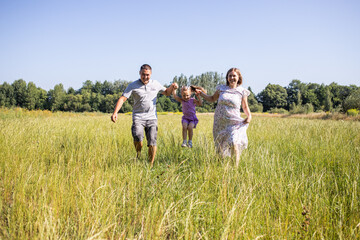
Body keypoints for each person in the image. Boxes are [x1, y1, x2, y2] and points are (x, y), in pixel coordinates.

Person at [111, 64, 178, 166]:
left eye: (147, 75)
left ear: (150, 74)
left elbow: (167, 93)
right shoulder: (132, 85)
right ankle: (138, 153)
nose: (145, 77)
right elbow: (122, 98)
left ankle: (150, 164)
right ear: (139, 73)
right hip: (138, 117)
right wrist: (115, 112)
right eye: (143, 74)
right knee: (137, 137)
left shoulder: (155, 84)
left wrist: (172, 87)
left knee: (152, 141)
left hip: (152, 118)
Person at [198, 68, 251, 166]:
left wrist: (249, 116)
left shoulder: (242, 91)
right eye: (230, 76)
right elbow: (212, 98)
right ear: (227, 78)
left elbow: (245, 106)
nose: (232, 78)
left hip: (234, 123)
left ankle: (235, 169)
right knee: (220, 148)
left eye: (234, 75)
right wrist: (201, 94)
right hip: (220, 122)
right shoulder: (221, 89)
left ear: (238, 77)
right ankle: (220, 168)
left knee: (234, 143)